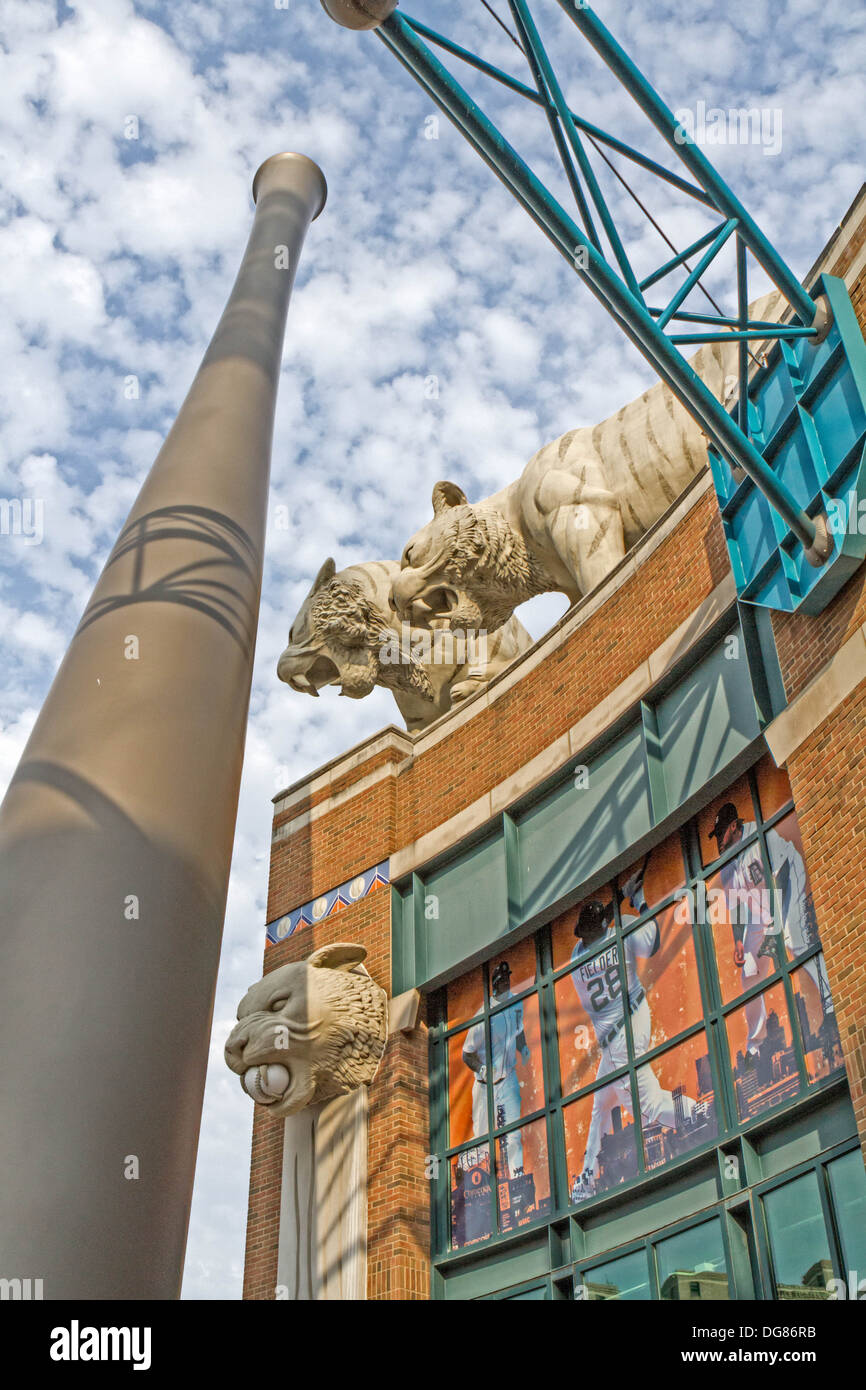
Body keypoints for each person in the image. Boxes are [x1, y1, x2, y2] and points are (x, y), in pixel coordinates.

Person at [569, 863, 697, 1198]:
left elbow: (602, 925)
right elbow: (651, 945)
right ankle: (585, 1177)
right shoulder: (621, 932)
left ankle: (701, 1114)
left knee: (648, 1107)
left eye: (587, 932)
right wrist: (636, 899)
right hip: (636, 1017)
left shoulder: (575, 961)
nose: (585, 937)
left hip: (617, 1038)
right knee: (600, 1104)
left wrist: (620, 896)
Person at [710, 802, 832, 1062]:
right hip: (759, 906)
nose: (718, 839)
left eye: (721, 832)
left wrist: (775, 931)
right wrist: (738, 942)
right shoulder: (727, 864)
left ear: (734, 827)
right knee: (749, 973)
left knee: (795, 939)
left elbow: (783, 875)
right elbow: (735, 907)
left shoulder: (759, 835)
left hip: (787, 885)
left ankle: (832, 1006)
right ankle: (757, 1044)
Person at [462, 961, 530, 1178]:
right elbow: (466, 1053)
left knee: (513, 1134)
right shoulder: (484, 1016)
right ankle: (484, 1185)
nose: (506, 983)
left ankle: (517, 1178)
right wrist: (482, 1069)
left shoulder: (516, 1001)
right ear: (494, 985)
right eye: (501, 981)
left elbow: (518, 1030)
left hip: (508, 1078)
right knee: (483, 1140)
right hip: (484, 1087)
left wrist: (524, 1047)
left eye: (507, 979)